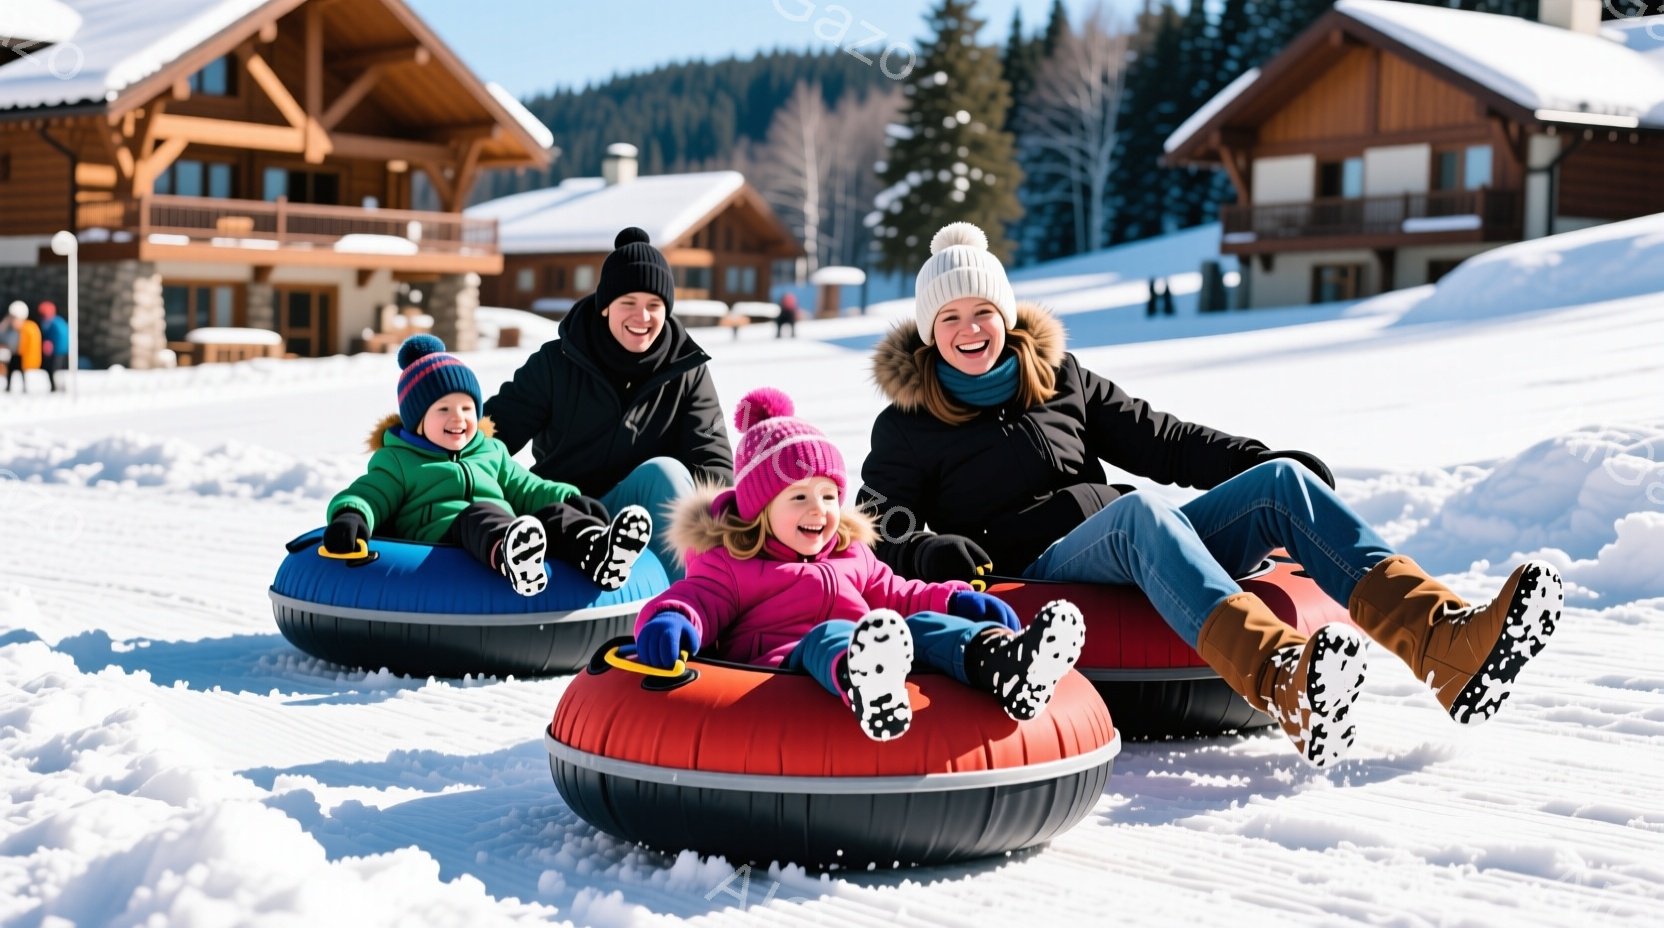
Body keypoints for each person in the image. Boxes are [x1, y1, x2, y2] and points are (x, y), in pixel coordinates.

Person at [858, 222, 1563, 767]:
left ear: (1006, 316)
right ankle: (1282, 680)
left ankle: (1445, 643)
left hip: (1134, 538)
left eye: (982, 311)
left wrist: (1262, 458)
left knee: (1277, 487)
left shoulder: (1061, 377)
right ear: (928, 333)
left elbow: (1162, 439)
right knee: (1140, 512)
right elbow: (880, 519)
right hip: (1038, 567)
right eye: (949, 318)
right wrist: (928, 548)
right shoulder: (909, 425)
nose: (969, 330)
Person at [632, 387, 1087, 741]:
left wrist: (956, 600)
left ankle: (1005, 663)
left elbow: (899, 593)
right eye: (799, 497)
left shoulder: (851, 554)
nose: (820, 510)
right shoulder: (732, 563)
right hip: (788, 668)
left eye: (829, 496)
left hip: (879, 648)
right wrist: (672, 621)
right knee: (829, 635)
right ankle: (868, 684)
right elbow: (696, 599)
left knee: (922, 623)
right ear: (760, 509)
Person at [485, 228, 733, 580]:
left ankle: (693, 609)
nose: (642, 317)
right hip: (566, 514)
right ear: (605, 307)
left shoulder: (686, 372)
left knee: (668, 474)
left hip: (642, 519)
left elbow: (713, 465)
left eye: (654, 305)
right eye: (628, 303)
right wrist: (425, 447)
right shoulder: (558, 362)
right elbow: (495, 430)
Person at [325, 335, 653, 597]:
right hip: (444, 540)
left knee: (550, 515)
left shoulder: (490, 451)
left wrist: (568, 499)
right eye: (443, 410)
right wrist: (351, 514)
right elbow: (371, 493)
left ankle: (598, 551)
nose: (458, 419)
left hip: (513, 532)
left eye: (467, 408)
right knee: (479, 514)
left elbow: (526, 487)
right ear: (417, 421)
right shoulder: (399, 460)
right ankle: (514, 557)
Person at [3, 301, 41, 393]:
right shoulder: (11, 329)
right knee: (11, 371)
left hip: (22, 354)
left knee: (21, 372)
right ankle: (9, 386)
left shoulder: (28, 328)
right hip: (14, 353)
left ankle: (24, 387)